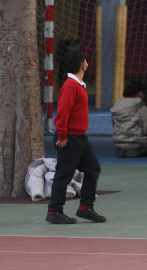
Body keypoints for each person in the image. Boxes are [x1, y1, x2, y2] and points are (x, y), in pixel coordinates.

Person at [46, 51, 105, 225]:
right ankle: (54, 210)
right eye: (86, 61)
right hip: (69, 137)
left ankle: (85, 207)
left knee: (93, 168)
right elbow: (63, 113)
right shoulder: (71, 86)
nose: (87, 63)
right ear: (82, 64)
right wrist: (62, 135)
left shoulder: (78, 85)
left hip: (80, 137)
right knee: (64, 173)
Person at [110, 80, 147, 158]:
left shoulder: (116, 106)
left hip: (119, 143)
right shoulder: (141, 107)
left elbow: (115, 125)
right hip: (137, 143)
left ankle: (124, 149)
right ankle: (135, 150)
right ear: (141, 94)